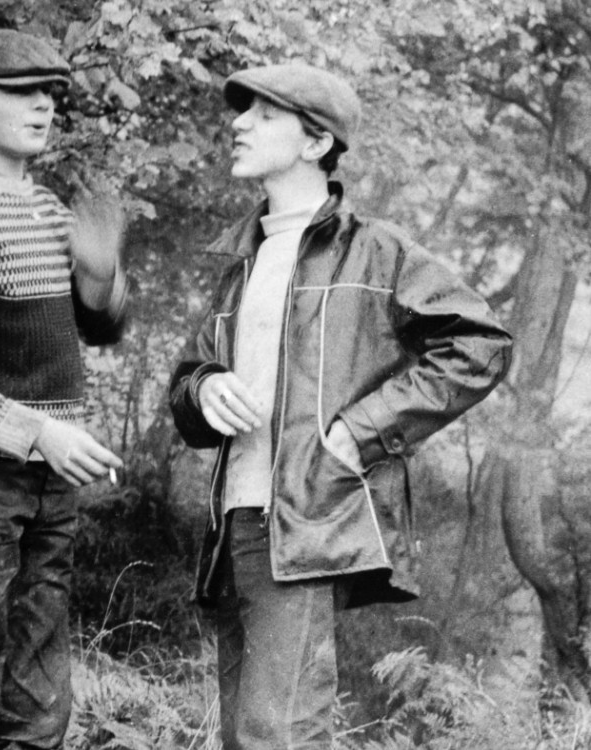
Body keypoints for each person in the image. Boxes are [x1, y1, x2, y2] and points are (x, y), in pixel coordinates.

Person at [169, 63, 513, 749]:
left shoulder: (376, 251)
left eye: (264, 114)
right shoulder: (241, 261)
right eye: (244, 112)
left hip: (312, 519)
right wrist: (203, 387)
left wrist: (361, 432)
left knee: (279, 734)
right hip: (236, 525)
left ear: (316, 142)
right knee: (244, 735)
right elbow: (185, 389)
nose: (240, 124)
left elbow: (481, 343)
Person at [0, 28, 130, 750]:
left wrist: (99, 279)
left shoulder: (51, 211)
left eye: (51, 96)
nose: (43, 108)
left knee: (40, 710)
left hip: (52, 485)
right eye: (22, 94)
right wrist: (37, 432)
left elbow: (93, 329)